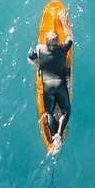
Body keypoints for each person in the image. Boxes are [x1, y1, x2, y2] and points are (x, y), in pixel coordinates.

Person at [27, 10, 73, 154]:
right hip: (60, 84)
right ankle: (59, 133)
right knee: (66, 110)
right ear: (57, 43)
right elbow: (70, 37)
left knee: (49, 112)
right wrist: (64, 23)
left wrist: (34, 60)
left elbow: (31, 59)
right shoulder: (62, 49)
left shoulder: (40, 48)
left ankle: (53, 137)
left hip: (47, 87)